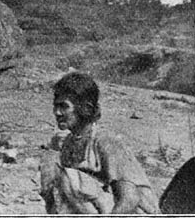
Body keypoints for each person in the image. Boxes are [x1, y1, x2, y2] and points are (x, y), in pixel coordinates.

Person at [42, 72, 160, 214]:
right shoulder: (68, 143)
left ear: (85, 107)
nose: (57, 112)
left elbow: (130, 199)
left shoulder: (105, 142)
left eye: (64, 106)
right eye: (55, 106)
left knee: (69, 179)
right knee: (54, 178)